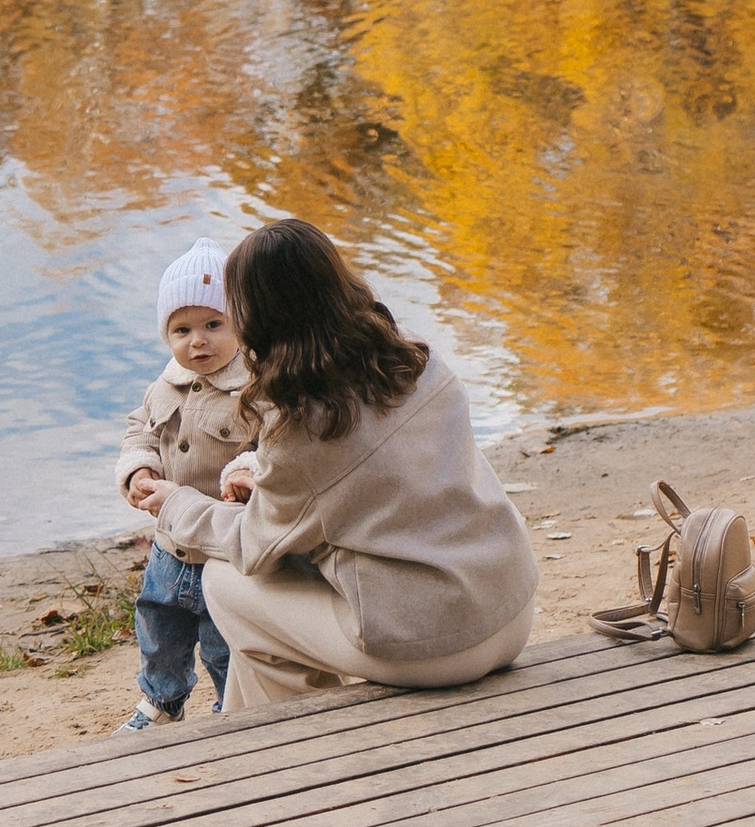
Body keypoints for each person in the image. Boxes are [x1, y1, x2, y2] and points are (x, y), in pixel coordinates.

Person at [135, 215, 537, 715]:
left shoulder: (307, 427)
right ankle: (257, 737)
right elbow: (373, 477)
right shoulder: (417, 360)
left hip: (439, 645)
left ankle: (287, 746)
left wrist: (178, 503)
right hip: (510, 605)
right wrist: (264, 471)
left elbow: (251, 547)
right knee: (265, 652)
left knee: (227, 579)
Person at [113, 238, 246, 729]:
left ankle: (230, 706)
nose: (199, 341)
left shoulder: (253, 387)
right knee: (158, 623)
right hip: (169, 544)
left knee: (221, 636)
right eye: (182, 329)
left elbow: (274, 443)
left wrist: (246, 471)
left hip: (222, 543)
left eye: (214, 325)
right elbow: (139, 430)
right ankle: (162, 699)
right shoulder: (163, 386)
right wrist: (139, 469)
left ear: (240, 324)